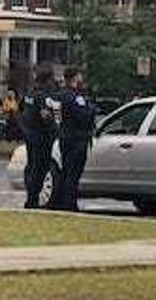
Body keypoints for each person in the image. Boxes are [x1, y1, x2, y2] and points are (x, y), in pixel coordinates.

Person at [51, 67, 94, 212]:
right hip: (77, 138)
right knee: (73, 173)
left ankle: (61, 201)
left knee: (65, 171)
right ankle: (70, 204)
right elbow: (84, 117)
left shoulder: (58, 95)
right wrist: (91, 108)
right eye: (80, 76)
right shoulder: (76, 97)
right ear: (75, 77)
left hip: (64, 136)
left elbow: (55, 116)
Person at [19, 69, 58, 209]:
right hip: (41, 137)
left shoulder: (29, 94)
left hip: (30, 135)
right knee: (40, 169)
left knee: (32, 167)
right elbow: (46, 116)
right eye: (52, 80)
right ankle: (32, 200)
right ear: (47, 80)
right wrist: (56, 129)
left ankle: (31, 198)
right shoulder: (42, 97)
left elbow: (22, 111)